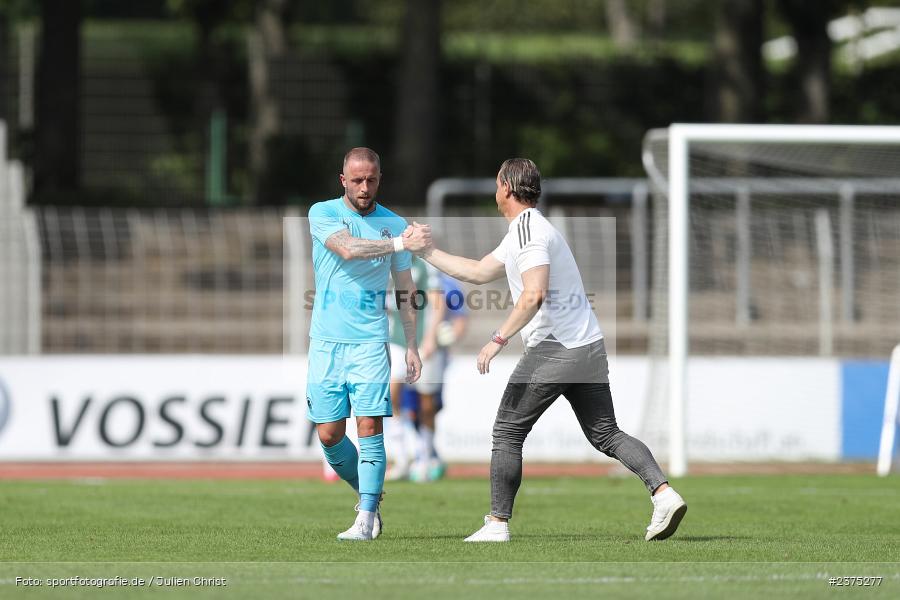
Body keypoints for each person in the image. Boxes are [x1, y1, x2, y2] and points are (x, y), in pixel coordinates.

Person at [407, 158, 687, 542]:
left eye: (496, 184)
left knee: (506, 431)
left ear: (506, 187)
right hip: (586, 344)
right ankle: (664, 493)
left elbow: (534, 293)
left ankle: (497, 523)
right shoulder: (525, 229)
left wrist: (498, 338)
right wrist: (427, 252)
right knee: (605, 433)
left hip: (556, 347)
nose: (494, 192)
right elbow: (476, 271)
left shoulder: (527, 229)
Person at [306, 147, 431, 541]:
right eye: (357, 180)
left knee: (370, 427)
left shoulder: (392, 222)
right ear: (343, 180)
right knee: (328, 435)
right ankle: (367, 496)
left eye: (371, 180)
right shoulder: (322, 213)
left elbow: (406, 289)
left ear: (380, 179)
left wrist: (411, 344)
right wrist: (398, 244)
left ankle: (366, 516)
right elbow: (347, 248)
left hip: (370, 343)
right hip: (326, 342)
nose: (364, 187)